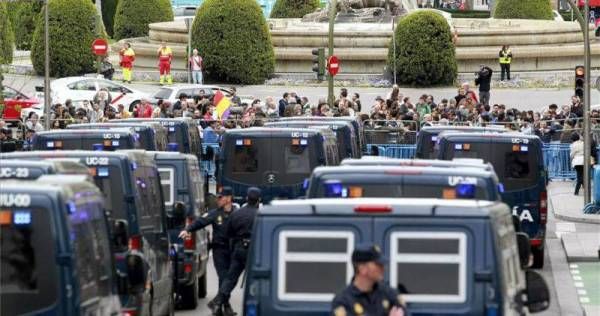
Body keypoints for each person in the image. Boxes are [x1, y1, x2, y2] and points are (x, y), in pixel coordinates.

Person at [179, 187, 237, 314]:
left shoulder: (237, 213)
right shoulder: (215, 213)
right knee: (223, 277)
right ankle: (224, 306)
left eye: (220, 197)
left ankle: (221, 304)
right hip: (219, 250)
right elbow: (200, 222)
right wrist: (187, 230)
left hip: (232, 250)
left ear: (228, 198)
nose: (218, 200)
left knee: (229, 279)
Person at [209, 187, 261, 316]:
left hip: (239, 249)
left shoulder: (236, 214)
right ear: (258, 200)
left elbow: (228, 233)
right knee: (256, 279)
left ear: (246, 199)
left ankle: (217, 301)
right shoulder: (260, 214)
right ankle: (255, 306)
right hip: (254, 250)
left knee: (230, 278)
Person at [331, 243, 406, 316]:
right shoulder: (343, 301)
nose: (383, 268)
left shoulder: (389, 294)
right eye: (378, 264)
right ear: (362, 269)